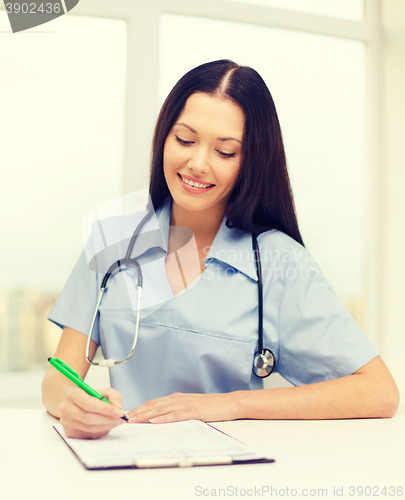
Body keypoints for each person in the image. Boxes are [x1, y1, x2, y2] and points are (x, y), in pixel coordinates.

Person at [42, 59, 399, 439]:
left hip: (227, 470)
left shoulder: (277, 261)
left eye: (225, 152)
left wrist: (227, 405)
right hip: (120, 465)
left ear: (251, 162)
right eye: (185, 140)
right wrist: (73, 405)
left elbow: (378, 392)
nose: (198, 164)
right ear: (164, 136)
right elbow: (58, 379)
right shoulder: (113, 237)